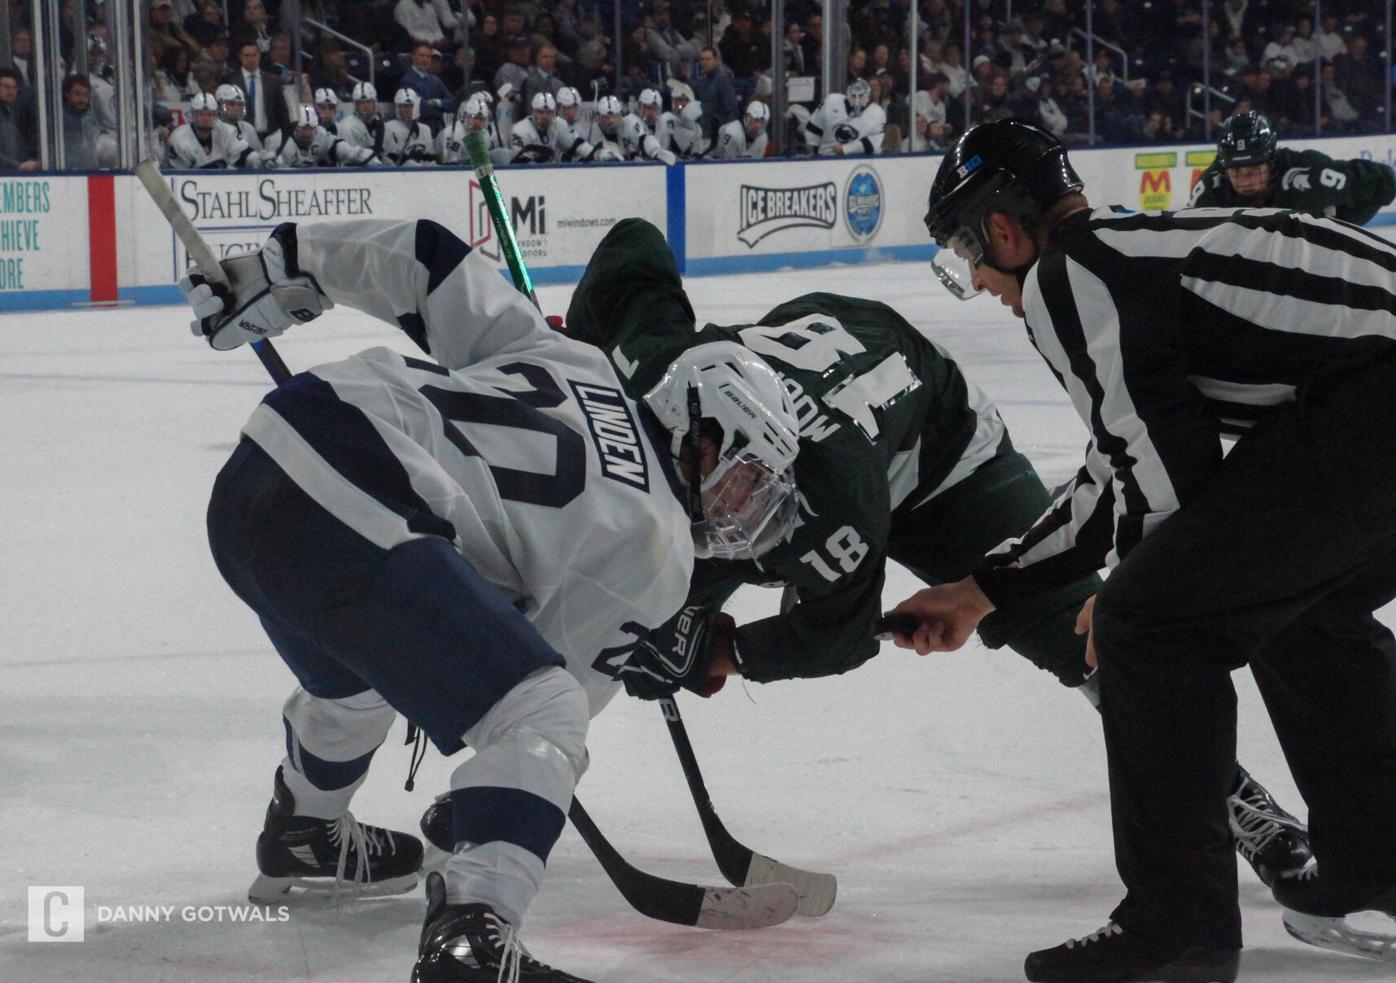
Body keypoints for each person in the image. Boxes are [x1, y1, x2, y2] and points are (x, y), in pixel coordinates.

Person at [183, 216, 798, 980]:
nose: (747, 512)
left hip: (262, 474)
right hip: (362, 503)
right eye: (745, 476)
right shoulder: (662, 545)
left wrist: (282, 268)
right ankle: (472, 937)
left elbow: (427, 259)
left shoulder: (573, 356)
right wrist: (488, 806)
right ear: (696, 427)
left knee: (354, 682)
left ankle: (303, 828)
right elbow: (545, 688)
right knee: (544, 710)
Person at [911, 117, 1396, 980]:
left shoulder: (1072, 274)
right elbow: (1120, 466)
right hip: (1370, 399)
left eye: (967, 252)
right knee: (1300, 603)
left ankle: (1178, 929)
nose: (979, 279)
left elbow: (1167, 479)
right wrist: (985, 588)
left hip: (1375, 401)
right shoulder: (1131, 252)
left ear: (1002, 227)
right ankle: (1380, 858)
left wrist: (1129, 595)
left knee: (1148, 625)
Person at [1188, 110, 1396, 224]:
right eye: (1236, 172)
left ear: (1270, 159)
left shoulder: (1304, 168)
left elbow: (1383, 184)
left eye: (1253, 170)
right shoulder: (1210, 189)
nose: (1245, 180)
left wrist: (1341, 228)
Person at [166, 90, 260, 168]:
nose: (206, 119)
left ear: (215, 115)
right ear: (193, 115)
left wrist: (258, 160)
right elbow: (179, 176)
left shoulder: (227, 131)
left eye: (210, 114)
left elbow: (246, 155)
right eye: (201, 114)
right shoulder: (179, 139)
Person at [227, 37, 290, 141]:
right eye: (246, 56)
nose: (251, 59)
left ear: (259, 56)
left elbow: (282, 111)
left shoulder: (273, 81)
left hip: (270, 136)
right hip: (241, 137)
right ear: (240, 57)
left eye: (254, 55)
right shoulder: (232, 81)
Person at [273, 104, 378, 167]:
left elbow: (340, 147)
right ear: (293, 126)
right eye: (304, 128)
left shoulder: (320, 134)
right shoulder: (280, 142)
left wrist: (359, 154)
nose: (308, 133)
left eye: (311, 128)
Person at [804, 78, 885, 156]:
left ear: (867, 95)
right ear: (848, 94)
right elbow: (814, 128)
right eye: (854, 95)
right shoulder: (832, 101)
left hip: (859, 159)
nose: (857, 99)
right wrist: (812, 150)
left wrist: (846, 149)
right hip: (827, 156)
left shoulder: (877, 112)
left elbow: (874, 142)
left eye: (860, 95)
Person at [508, 91, 571, 163]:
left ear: (554, 113)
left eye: (549, 112)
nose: (545, 116)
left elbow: (575, 146)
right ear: (534, 112)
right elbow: (519, 161)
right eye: (541, 112)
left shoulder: (560, 124)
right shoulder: (520, 130)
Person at [383, 89, 436, 166]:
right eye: (404, 106)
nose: (408, 110)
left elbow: (431, 160)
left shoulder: (425, 129)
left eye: (411, 106)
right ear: (397, 108)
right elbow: (394, 160)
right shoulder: (389, 128)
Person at [337, 81, 386, 159]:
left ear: (374, 103)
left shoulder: (378, 124)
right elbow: (352, 160)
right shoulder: (349, 126)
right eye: (361, 103)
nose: (365, 106)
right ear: (355, 105)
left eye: (369, 102)